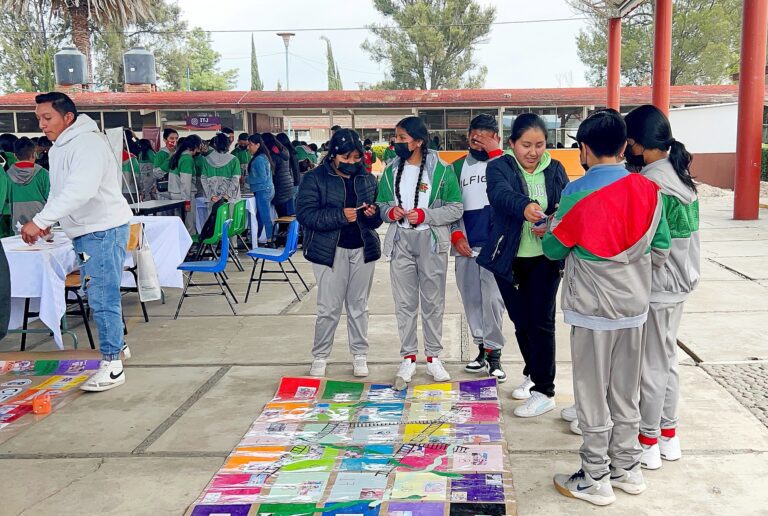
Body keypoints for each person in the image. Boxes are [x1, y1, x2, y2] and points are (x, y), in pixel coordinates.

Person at [544, 109, 670, 506]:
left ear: (583, 149)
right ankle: (627, 470)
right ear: (624, 146)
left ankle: (595, 475)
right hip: (634, 308)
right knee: (625, 391)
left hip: (592, 311)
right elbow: (661, 249)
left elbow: (553, 249)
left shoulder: (576, 194)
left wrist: (551, 228)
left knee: (592, 394)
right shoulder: (650, 191)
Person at [21, 92, 134, 392]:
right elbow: (62, 192)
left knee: (102, 296)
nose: (43, 125)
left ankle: (112, 365)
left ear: (67, 117)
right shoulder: (63, 146)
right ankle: (118, 348)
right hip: (89, 230)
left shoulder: (86, 144)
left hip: (102, 230)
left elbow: (80, 190)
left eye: (48, 118)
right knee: (100, 292)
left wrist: (42, 220)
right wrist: (50, 220)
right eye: (39, 119)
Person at [475, 114, 569, 418]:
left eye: (540, 145)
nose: (533, 151)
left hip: (544, 258)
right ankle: (533, 372)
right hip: (509, 257)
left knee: (542, 322)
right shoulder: (499, 166)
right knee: (520, 320)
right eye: (526, 145)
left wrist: (552, 221)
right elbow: (500, 195)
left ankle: (545, 390)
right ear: (512, 143)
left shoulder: (555, 169)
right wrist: (525, 206)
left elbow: (566, 205)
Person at [624, 105, 700, 471]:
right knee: (667, 360)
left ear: (636, 144)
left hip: (658, 287)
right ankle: (669, 435)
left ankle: (648, 441)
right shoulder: (681, 176)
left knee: (651, 365)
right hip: (681, 285)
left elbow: (654, 246)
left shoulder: (650, 184)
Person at [375, 116, 463, 389]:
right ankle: (409, 357)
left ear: (419, 141)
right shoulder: (390, 171)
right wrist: (390, 212)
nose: (396, 143)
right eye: (396, 137)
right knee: (404, 302)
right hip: (401, 240)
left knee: (433, 301)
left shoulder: (442, 171)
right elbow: (380, 206)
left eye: (402, 138)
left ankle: (434, 356)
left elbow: (455, 208)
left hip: (431, 241)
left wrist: (425, 214)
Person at [297, 129, 383, 378]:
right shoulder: (314, 179)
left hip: (363, 249)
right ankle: (320, 357)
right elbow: (305, 215)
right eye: (346, 158)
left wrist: (373, 214)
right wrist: (340, 216)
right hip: (329, 252)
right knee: (328, 308)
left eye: (357, 158)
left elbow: (377, 221)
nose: (352, 163)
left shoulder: (367, 179)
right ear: (333, 155)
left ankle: (359, 355)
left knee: (359, 306)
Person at [449, 114, 508, 383]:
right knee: (471, 299)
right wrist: (457, 235)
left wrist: (494, 152)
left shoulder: (506, 163)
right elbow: (449, 206)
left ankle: (495, 353)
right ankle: (481, 349)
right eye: (476, 135)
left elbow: (513, 192)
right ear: (468, 137)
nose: (480, 141)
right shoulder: (455, 168)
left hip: (496, 246)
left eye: (486, 136)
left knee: (493, 301)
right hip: (466, 246)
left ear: (495, 137)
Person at [7, 137, 50, 231]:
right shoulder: (43, 174)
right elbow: (52, 198)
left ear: (15, 155)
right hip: (42, 226)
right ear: (34, 154)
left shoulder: (7, 176)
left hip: (18, 226)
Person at [168, 134, 202, 234]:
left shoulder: (177, 156)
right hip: (184, 196)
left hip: (175, 195)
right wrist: (187, 201)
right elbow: (185, 182)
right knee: (189, 224)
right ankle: (190, 246)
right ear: (195, 146)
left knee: (180, 224)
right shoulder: (187, 159)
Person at [246, 134, 275, 244]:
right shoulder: (263, 156)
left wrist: (247, 179)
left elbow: (261, 177)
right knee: (260, 216)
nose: (249, 147)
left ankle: (270, 239)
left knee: (265, 216)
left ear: (258, 145)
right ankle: (256, 237)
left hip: (263, 190)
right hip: (267, 189)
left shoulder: (259, 159)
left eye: (251, 145)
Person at [199, 133, 241, 205]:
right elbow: (235, 180)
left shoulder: (206, 160)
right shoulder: (234, 160)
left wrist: (212, 196)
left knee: (212, 216)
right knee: (229, 216)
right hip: (230, 199)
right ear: (228, 144)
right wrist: (226, 196)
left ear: (215, 144)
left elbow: (203, 179)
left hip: (213, 199)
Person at [262, 132, 295, 217]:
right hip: (287, 184)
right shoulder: (283, 151)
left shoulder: (273, 156)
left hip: (279, 186)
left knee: (281, 216)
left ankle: (283, 229)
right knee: (287, 214)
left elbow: (271, 173)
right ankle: (286, 229)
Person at [153, 128, 179, 198]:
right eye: (171, 138)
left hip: (177, 189)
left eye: (176, 138)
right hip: (164, 190)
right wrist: (170, 159)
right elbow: (156, 173)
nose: (174, 141)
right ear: (165, 140)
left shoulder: (178, 153)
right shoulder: (161, 154)